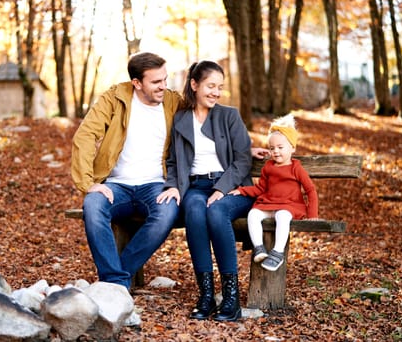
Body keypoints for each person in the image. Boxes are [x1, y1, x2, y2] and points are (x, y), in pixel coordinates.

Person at [157, 60, 268, 322]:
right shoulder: (181, 119)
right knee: (195, 210)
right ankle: (206, 295)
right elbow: (173, 161)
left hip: (232, 187)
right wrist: (173, 185)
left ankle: (231, 298)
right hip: (195, 186)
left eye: (219, 87)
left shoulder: (228, 115)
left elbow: (242, 159)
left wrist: (221, 188)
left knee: (217, 212)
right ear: (194, 85)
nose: (215, 92)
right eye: (210, 86)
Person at [70, 52, 182, 290]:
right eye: (156, 82)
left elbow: (206, 121)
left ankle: (114, 281)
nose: (163, 86)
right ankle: (117, 281)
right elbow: (85, 136)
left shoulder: (173, 102)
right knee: (93, 205)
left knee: (166, 212)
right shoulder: (115, 98)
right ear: (137, 83)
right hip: (116, 185)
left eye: (165, 79)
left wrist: (244, 146)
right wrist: (88, 183)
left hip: (155, 185)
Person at [230, 114, 318, 271]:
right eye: (272, 148)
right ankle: (259, 248)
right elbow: (260, 189)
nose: (275, 152)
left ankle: (277, 253)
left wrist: (312, 215)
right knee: (253, 215)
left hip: (289, 206)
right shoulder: (268, 167)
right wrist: (241, 191)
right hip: (269, 204)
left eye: (280, 147)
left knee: (282, 216)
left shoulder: (296, 168)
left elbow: (310, 190)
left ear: (292, 148)